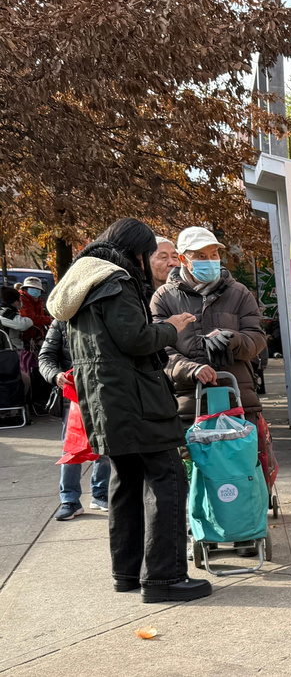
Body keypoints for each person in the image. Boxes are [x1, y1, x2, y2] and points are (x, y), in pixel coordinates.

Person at [47, 217, 212, 602]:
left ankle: (127, 574)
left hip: (107, 404)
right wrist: (171, 327)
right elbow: (136, 339)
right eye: (149, 253)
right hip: (137, 401)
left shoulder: (81, 286)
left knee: (126, 481)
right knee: (168, 479)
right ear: (134, 251)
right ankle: (165, 578)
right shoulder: (115, 282)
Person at [151, 227, 268, 556]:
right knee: (196, 469)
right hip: (190, 401)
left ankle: (246, 528)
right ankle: (201, 529)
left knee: (242, 464)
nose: (209, 261)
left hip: (238, 398)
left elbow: (257, 339)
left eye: (214, 255)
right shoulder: (164, 297)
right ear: (185, 258)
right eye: (201, 256)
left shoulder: (239, 293)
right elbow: (161, 351)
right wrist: (190, 368)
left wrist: (234, 340)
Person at [39, 319, 112, 520]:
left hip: (103, 390)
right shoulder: (61, 321)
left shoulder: (102, 312)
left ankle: (100, 494)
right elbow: (45, 357)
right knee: (72, 448)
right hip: (72, 395)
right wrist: (55, 375)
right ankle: (69, 500)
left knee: (104, 446)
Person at [19, 276, 52, 349]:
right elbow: (30, 318)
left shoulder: (38, 301)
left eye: (37, 289)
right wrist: (49, 320)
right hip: (26, 339)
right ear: (25, 289)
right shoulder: (21, 300)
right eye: (33, 288)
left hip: (37, 337)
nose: (36, 291)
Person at [0, 287, 32, 351]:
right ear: (15, 302)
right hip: (8, 351)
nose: (21, 302)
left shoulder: (9, 311)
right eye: (20, 299)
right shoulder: (4, 313)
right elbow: (24, 324)